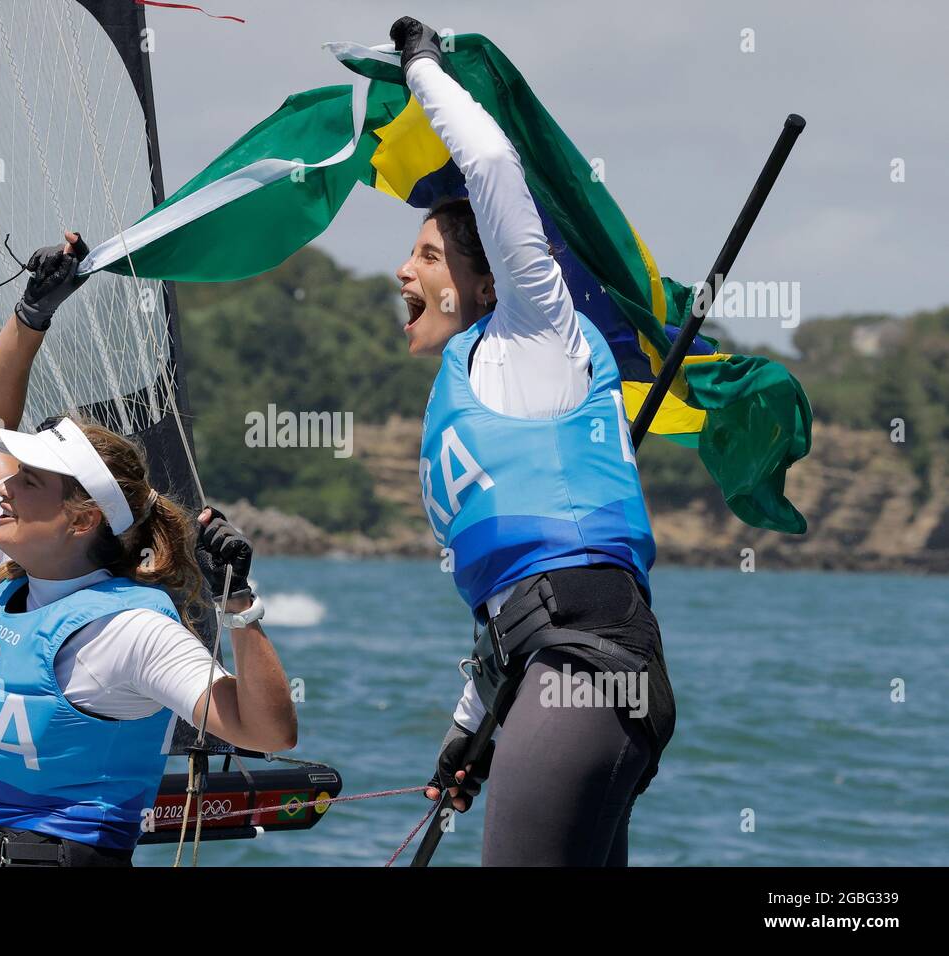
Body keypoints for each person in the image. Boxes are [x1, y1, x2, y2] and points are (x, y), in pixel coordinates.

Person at [391, 17, 676, 866]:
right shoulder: (473, 397)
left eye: (430, 255)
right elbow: (509, 606)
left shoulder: (539, 328)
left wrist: (421, 67)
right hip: (559, 678)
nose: (405, 273)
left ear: (486, 280)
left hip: (587, 673)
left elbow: (490, 165)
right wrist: (466, 733)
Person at [0, 233, 296, 866]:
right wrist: (32, 315)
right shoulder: (19, 568)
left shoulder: (131, 631)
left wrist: (238, 603)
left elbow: (266, 731)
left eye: (27, 480)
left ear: (81, 519)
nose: (5, 488)